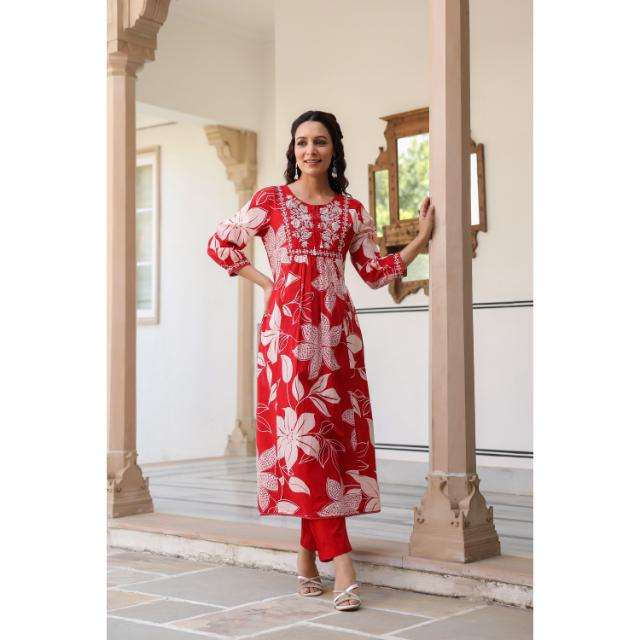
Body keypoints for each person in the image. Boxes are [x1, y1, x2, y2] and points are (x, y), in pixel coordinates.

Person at [207, 110, 435, 611]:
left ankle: (307, 555)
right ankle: (343, 562)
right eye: (302, 142)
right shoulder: (270, 201)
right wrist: (268, 284)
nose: (310, 150)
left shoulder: (352, 211)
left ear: (334, 150)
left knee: (327, 443)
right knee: (305, 442)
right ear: (293, 150)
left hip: (337, 337)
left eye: (320, 142)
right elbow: (220, 244)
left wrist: (419, 239)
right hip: (288, 338)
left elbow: (374, 273)